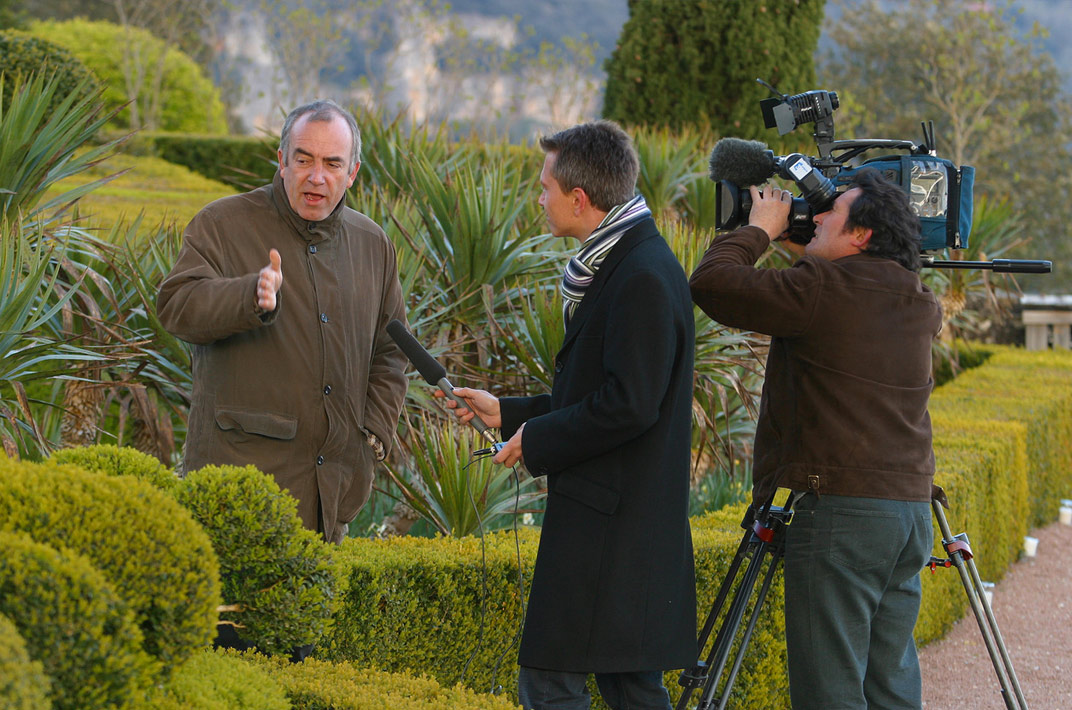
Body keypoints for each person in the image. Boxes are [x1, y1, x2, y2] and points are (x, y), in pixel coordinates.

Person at [436, 120, 696, 710]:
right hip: (615, 524)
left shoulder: (642, 277)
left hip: (614, 530)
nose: (539, 197)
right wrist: (508, 412)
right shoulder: (625, 263)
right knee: (629, 687)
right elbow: (602, 393)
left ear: (580, 200)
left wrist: (536, 438)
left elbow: (629, 404)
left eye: (545, 186)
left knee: (552, 685)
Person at [689, 169, 942, 709]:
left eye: (831, 212)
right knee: (890, 686)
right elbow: (841, 292)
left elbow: (711, 284)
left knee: (829, 691)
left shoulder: (821, 290)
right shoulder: (919, 301)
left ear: (862, 236)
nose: (817, 216)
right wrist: (804, 239)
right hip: (908, 516)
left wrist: (759, 228)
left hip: (844, 519)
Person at [157, 99, 408, 545]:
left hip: (329, 500)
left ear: (352, 173)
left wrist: (373, 435)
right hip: (234, 494)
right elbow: (177, 306)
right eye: (303, 159)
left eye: (333, 163)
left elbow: (391, 352)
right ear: (281, 160)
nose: (317, 176)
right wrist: (248, 294)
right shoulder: (222, 223)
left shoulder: (374, 244)